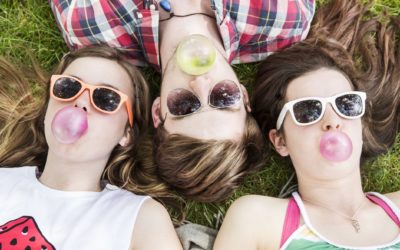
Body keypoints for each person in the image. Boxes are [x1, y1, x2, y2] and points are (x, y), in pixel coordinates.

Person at [49, 0, 315, 202]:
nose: (200, 82)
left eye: (184, 106)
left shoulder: (90, 26)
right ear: (243, 95)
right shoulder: (284, 21)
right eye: (223, 99)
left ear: (158, 110)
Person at [214, 0, 400, 249]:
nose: (332, 121)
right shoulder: (257, 220)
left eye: (346, 104)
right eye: (308, 110)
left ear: (361, 123)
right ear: (280, 141)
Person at [0, 46, 182, 250]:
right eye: (67, 87)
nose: (80, 102)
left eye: (106, 99)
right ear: (47, 110)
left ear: (126, 134)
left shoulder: (140, 218)